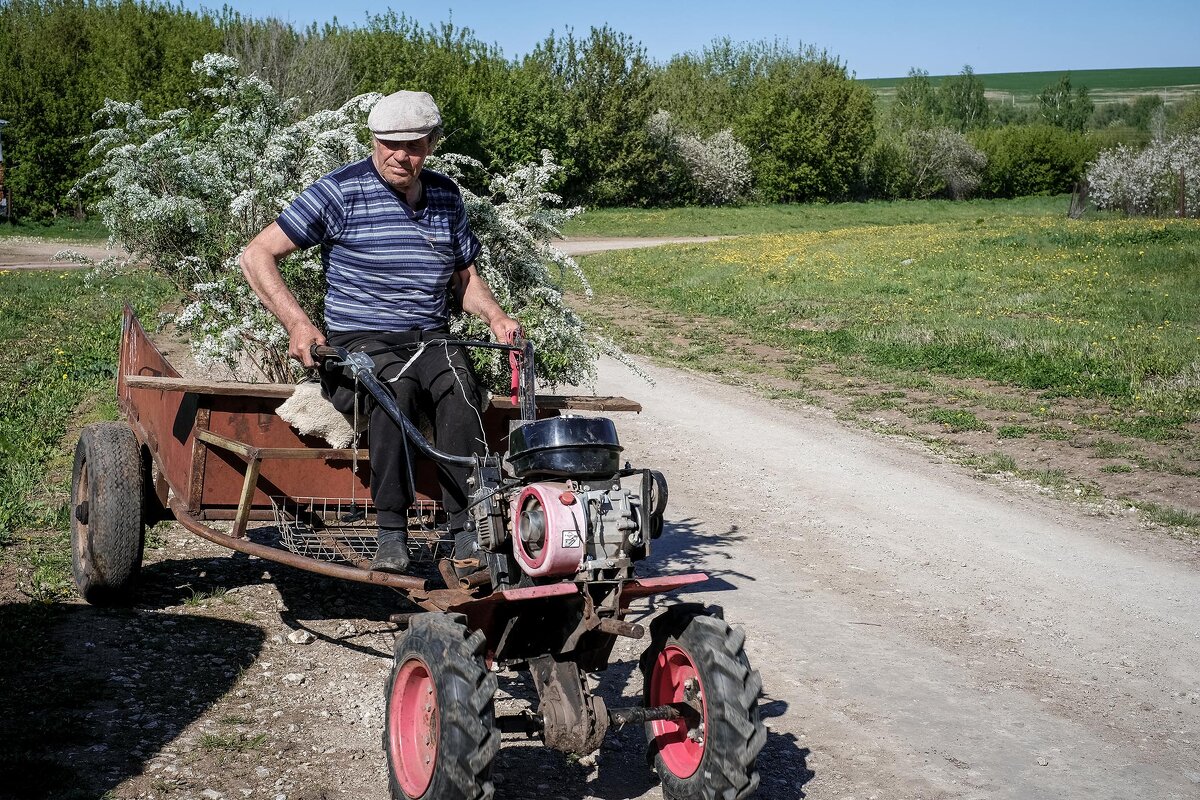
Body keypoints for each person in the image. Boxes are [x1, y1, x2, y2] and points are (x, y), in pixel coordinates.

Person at [240, 90, 520, 574]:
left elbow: (464, 278)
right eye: (389, 143)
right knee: (393, 387)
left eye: (413, 145)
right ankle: (392, 531)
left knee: (459, 387)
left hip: (429, 335)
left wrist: (496, 316)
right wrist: (298, 323)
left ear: (431, 144)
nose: (400, 155)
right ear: (373, 140)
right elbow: (256, 254)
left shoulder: (446, 196)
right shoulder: (340, 191)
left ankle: (467, 529)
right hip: (359, 338)